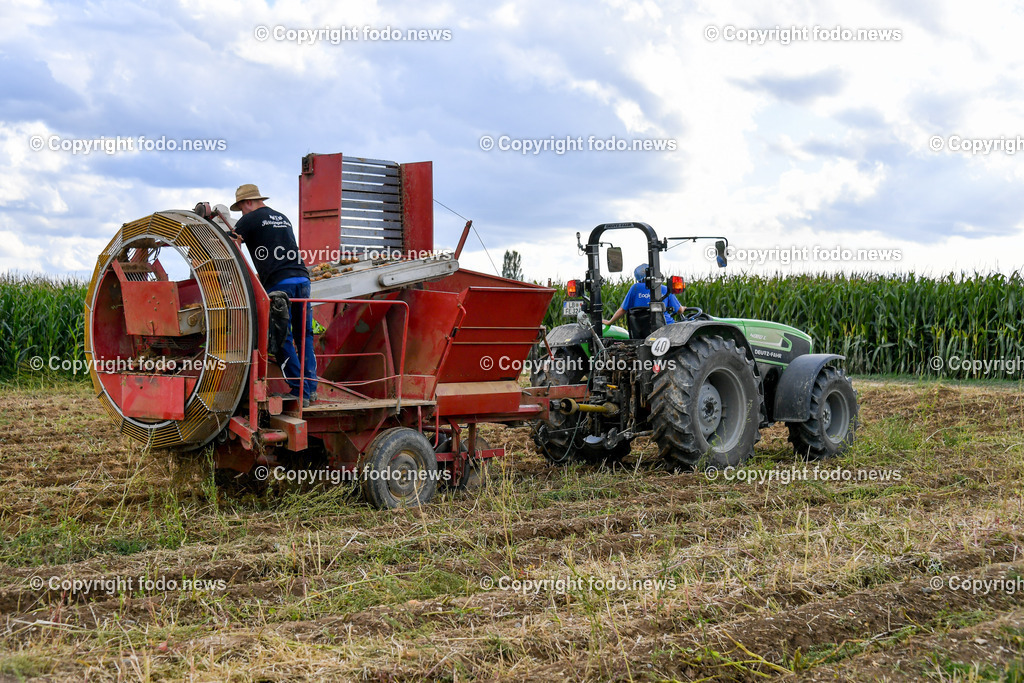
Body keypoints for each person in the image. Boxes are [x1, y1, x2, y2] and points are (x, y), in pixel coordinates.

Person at [231, 183, 318, 406]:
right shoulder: (282, 217)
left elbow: (232, 246)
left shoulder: (248, 220)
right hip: (302, 279)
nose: (241, 212)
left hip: (280, 284)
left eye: (241, 207)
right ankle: (311, 389)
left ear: (247, 202)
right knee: (304, 335)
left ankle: (299, 391)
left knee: (280, 337)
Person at [603, 263, 682, 328]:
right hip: (666, 329)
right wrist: (684, 308)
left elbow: (622, 310)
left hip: (641, 331)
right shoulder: (664, 289)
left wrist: (610, 322)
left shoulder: (635, 288)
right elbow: (679, 310)